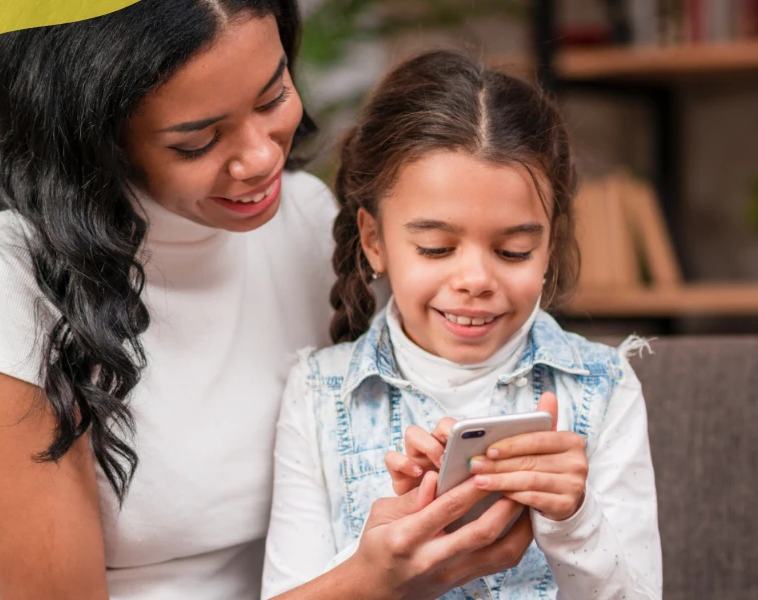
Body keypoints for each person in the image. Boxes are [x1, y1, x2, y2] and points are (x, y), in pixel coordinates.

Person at [0, 2, 531, 598]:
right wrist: (367, 583)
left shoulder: (307, 219)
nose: (260, 158)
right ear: (95, 139)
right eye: (196, 141)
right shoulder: (6, 280)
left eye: (274, 94)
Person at [262, 50, 663, 599]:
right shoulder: (318, 394)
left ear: (548, 245)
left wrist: (575, 522)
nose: (475, 278)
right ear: (374, 241)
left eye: (514, 250)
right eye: (436, 248)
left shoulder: (603, 388)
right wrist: (381, 564)